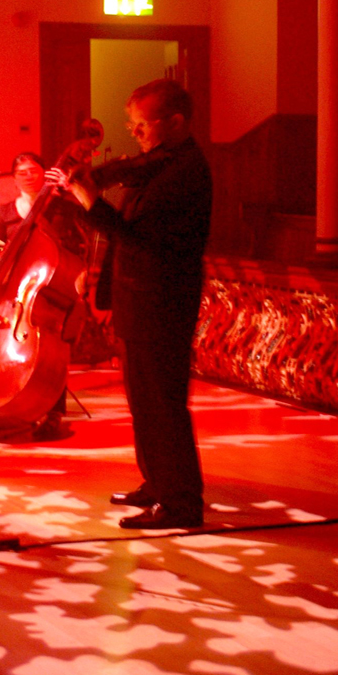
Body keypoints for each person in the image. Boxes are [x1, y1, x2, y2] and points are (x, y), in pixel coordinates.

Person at [54, 79, 212, 529]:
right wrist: (85, 196)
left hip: (163, 301)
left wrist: (90, 200)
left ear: (175, 122)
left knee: (163, 404)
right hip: (139, 300)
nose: (135, 133)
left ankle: (181, 502)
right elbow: (124, 226)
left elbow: (137, 237)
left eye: (142, 124)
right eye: (132, 124)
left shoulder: (184, 171)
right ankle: (156, 483)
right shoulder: (156, 165)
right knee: (143, 403)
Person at [0, 152, 45, 244]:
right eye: (22, 173)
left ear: (44, 174)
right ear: (15, 179)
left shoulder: (58, 208)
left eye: (33, 171)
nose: (29, 177)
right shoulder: (3, 213)